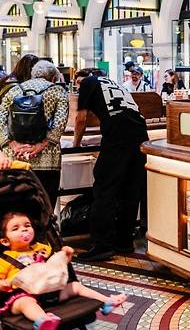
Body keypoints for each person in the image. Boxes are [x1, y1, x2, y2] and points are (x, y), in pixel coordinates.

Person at [0, 211, 126, 329]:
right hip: (22, 295)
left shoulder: (42, 248)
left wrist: (66, 254)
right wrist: (3, 284)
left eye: (27, 225)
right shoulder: (4, 260)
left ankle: (107, 301)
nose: (24, 229)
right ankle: (43, 320)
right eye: (15, 228)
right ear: (5, 241)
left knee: (75, 286)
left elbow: (55, 264)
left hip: (49, 292)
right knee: (26, 303)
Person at [72, 70, 148, 261]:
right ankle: (124, 242)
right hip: (141, 136)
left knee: (104, 190)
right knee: (130, 191)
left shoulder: (87, 83)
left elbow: (81, 119)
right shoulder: (114, 84)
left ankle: (102, 245)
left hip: (118, 137)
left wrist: (75, 145)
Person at [0, 61, 69, 207]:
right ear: (53, 78)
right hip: (48, 161)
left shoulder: (14, 90)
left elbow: (1, 121)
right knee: (45, 205)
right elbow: (60, 123)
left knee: (18, 206)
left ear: (32, 75)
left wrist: (12, 144)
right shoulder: (58, 91)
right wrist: (41, 145)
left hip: (16, 158)